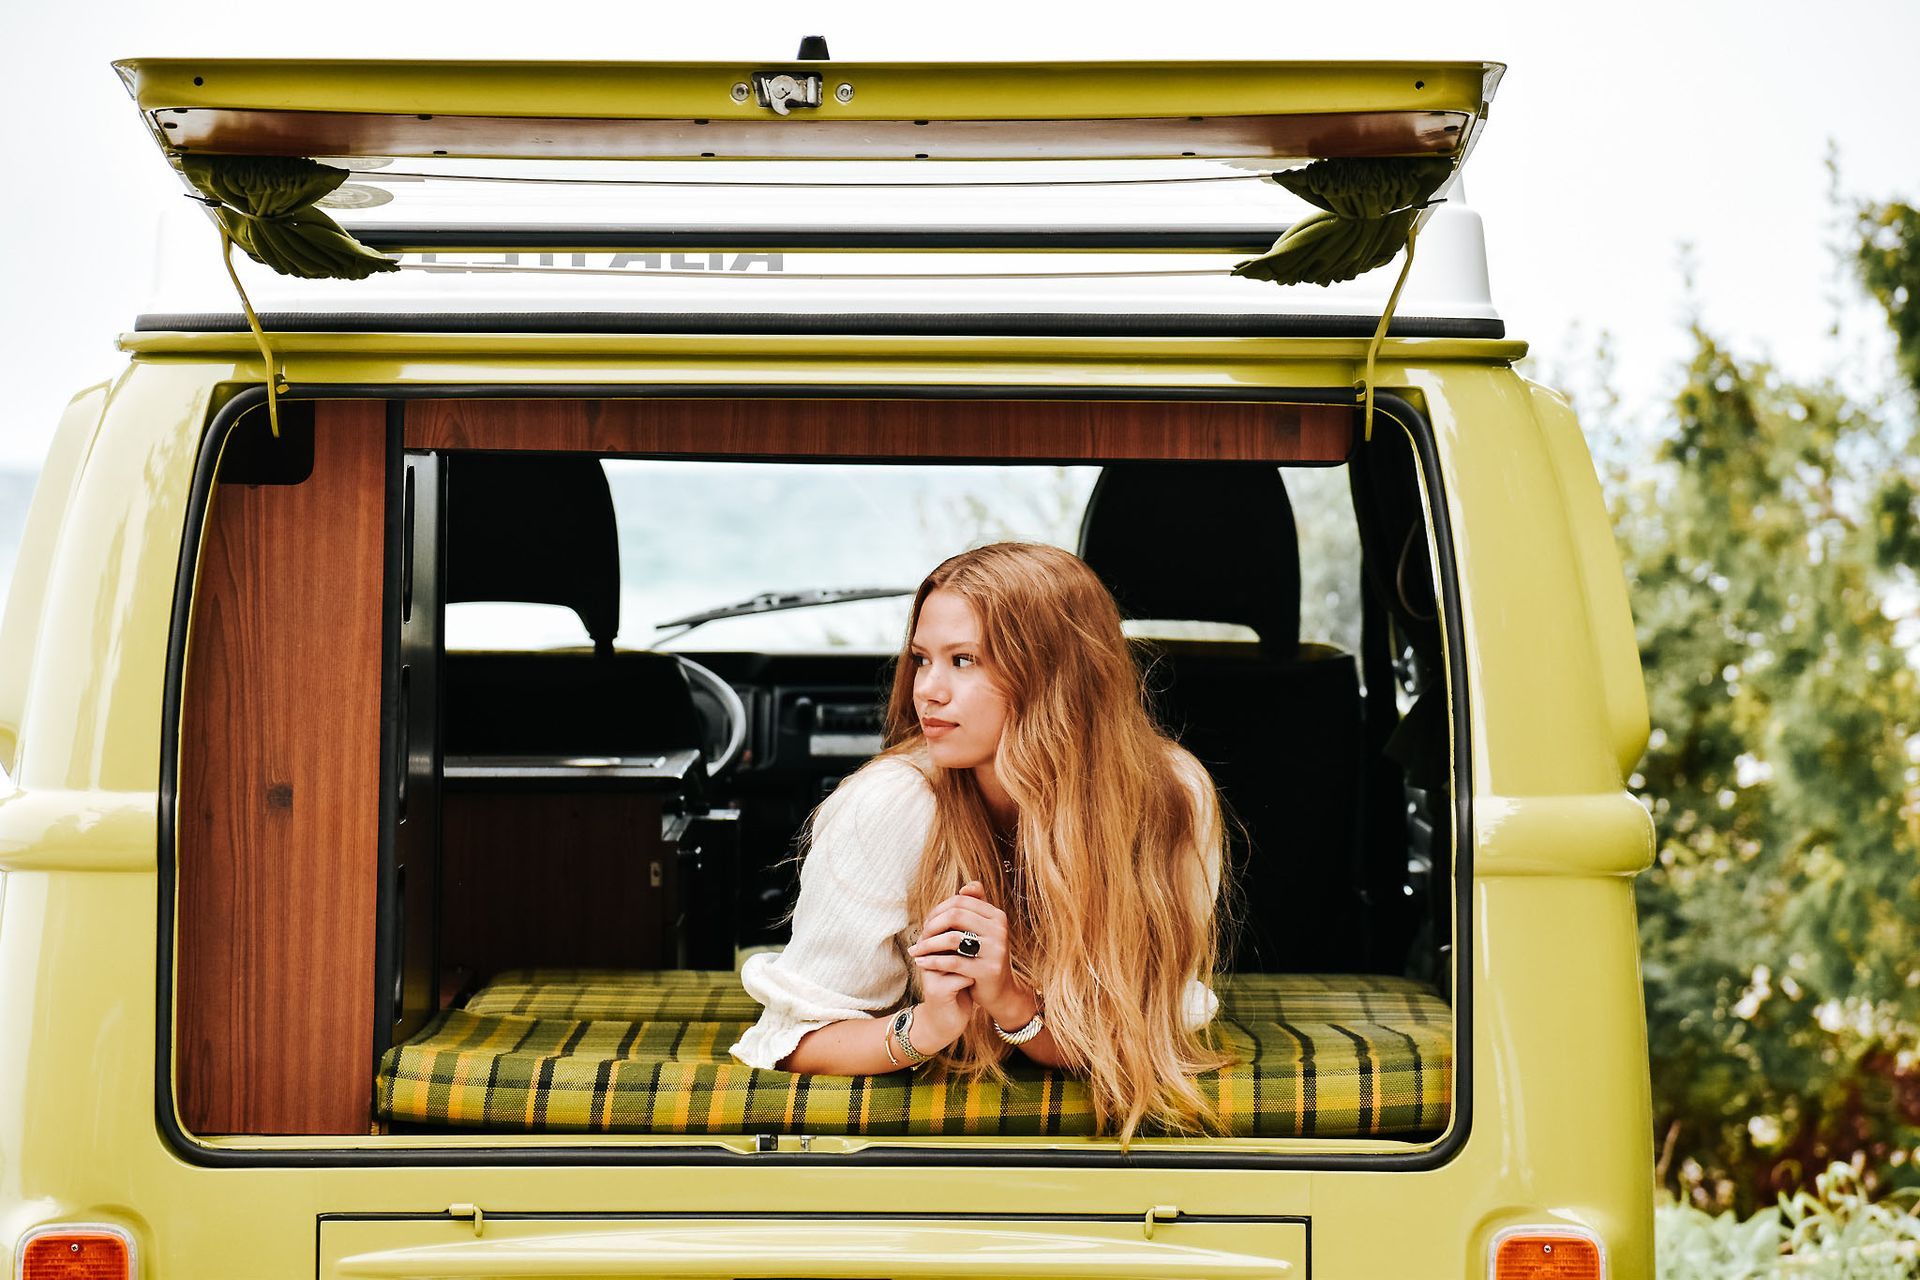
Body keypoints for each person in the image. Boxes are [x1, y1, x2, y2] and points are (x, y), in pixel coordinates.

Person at [729, 542, 1231, 1141]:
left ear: (1054, 674)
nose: (928, 691)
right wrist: (930, 1025)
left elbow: (1137, 1034)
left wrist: (1011, 1002)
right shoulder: (891, 805)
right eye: (921, 659)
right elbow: (795, 1041)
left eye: (964, 660)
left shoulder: (1170, 795)